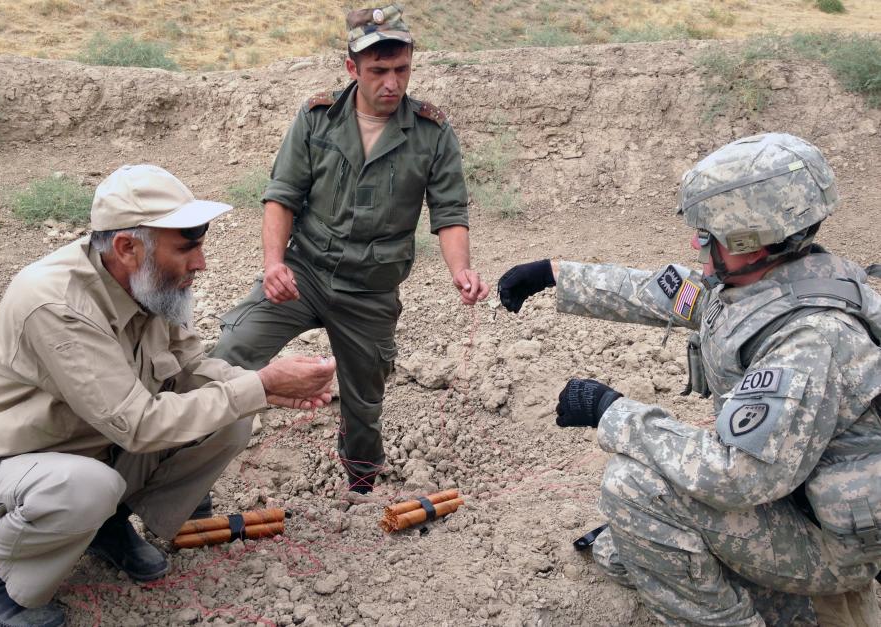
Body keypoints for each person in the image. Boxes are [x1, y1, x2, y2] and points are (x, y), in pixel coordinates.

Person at [498, 133, 881, 625]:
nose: (696, 243)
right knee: (624, 549)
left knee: (634, 490)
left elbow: (736, 474)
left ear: (747, 239)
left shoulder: (810, 340)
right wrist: (555, 274)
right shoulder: (771, 280)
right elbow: (670, 294)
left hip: (831, 548)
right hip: (794, 500)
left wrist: (609, 409)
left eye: (706, 234)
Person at [0, 164, 337, 627]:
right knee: (89, 487)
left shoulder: (147, 283)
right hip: (12, 473)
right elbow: (139, 424)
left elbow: (191, 368)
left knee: (231, 414)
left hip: (95, 452)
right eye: (186, 248)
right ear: (128, 247)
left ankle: (107, 524)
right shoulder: (56, 303)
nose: (201, 263)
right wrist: (262, 385)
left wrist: (266, 387)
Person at [210, 5, 489, 494]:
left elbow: (449, 212)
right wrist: (273, 264)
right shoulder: (317, 118)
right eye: (378, 71)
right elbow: (282, 196)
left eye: (401, 69)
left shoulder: (432, 132)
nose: (392, 83)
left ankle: (361, 486)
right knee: (230, 354)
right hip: (303, 274)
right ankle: (191, 479)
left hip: (370, 290)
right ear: (352, 68)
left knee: (364, 403)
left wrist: (460, 270)